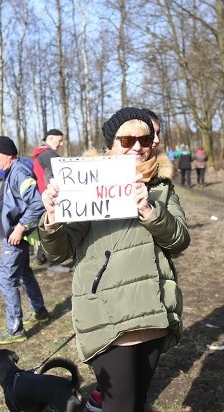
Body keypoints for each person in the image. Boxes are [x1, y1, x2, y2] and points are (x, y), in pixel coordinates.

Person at [39, 107, 189, 411]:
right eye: (127, 139)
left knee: (135, 402)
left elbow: (179, 241)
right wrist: (53, 220)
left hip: (153, 313)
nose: (137, 146)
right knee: (119, 405)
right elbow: (60, 252)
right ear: (111, 144)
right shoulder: (86, 184)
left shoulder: (161, 186)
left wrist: (149, 212)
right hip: (109, 316)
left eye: (145, 138)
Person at [0, 136, 50, 344]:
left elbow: (37, 203)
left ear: (8, 154)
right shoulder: (10, 171)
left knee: (5, 280)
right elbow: (17, 200)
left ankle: (15, 329)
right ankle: (39, 311)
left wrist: (20, 227)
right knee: (24, 274)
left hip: (15, 237)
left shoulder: (19, 172)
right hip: (12, 235)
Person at [31, 129, 71, 272]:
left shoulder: (40, 154)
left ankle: (41, 257)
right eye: (59, 140)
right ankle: (53, 262)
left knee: (45, 226)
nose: (61, 144)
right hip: (50, 197)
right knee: (51, 228)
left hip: (42, 195)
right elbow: (63, 172)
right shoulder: (48, 154)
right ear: (50, 138)